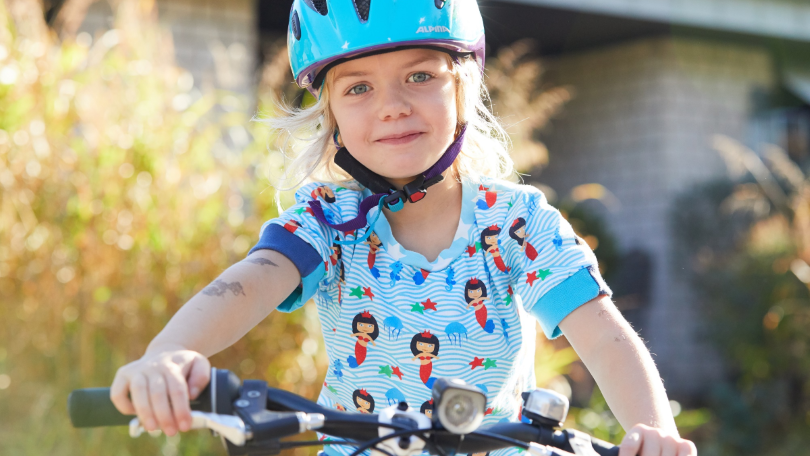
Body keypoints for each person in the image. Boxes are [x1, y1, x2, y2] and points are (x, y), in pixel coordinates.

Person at [110, 1, 697, 455]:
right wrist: (167, 355)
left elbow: (601, 334)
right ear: (331, 114)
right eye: (358, 87)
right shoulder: (327, 220)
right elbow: (253, 281)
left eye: (420, 76)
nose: (391, 105)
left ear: (463, 89)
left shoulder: (517, 222)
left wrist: (654, 430)